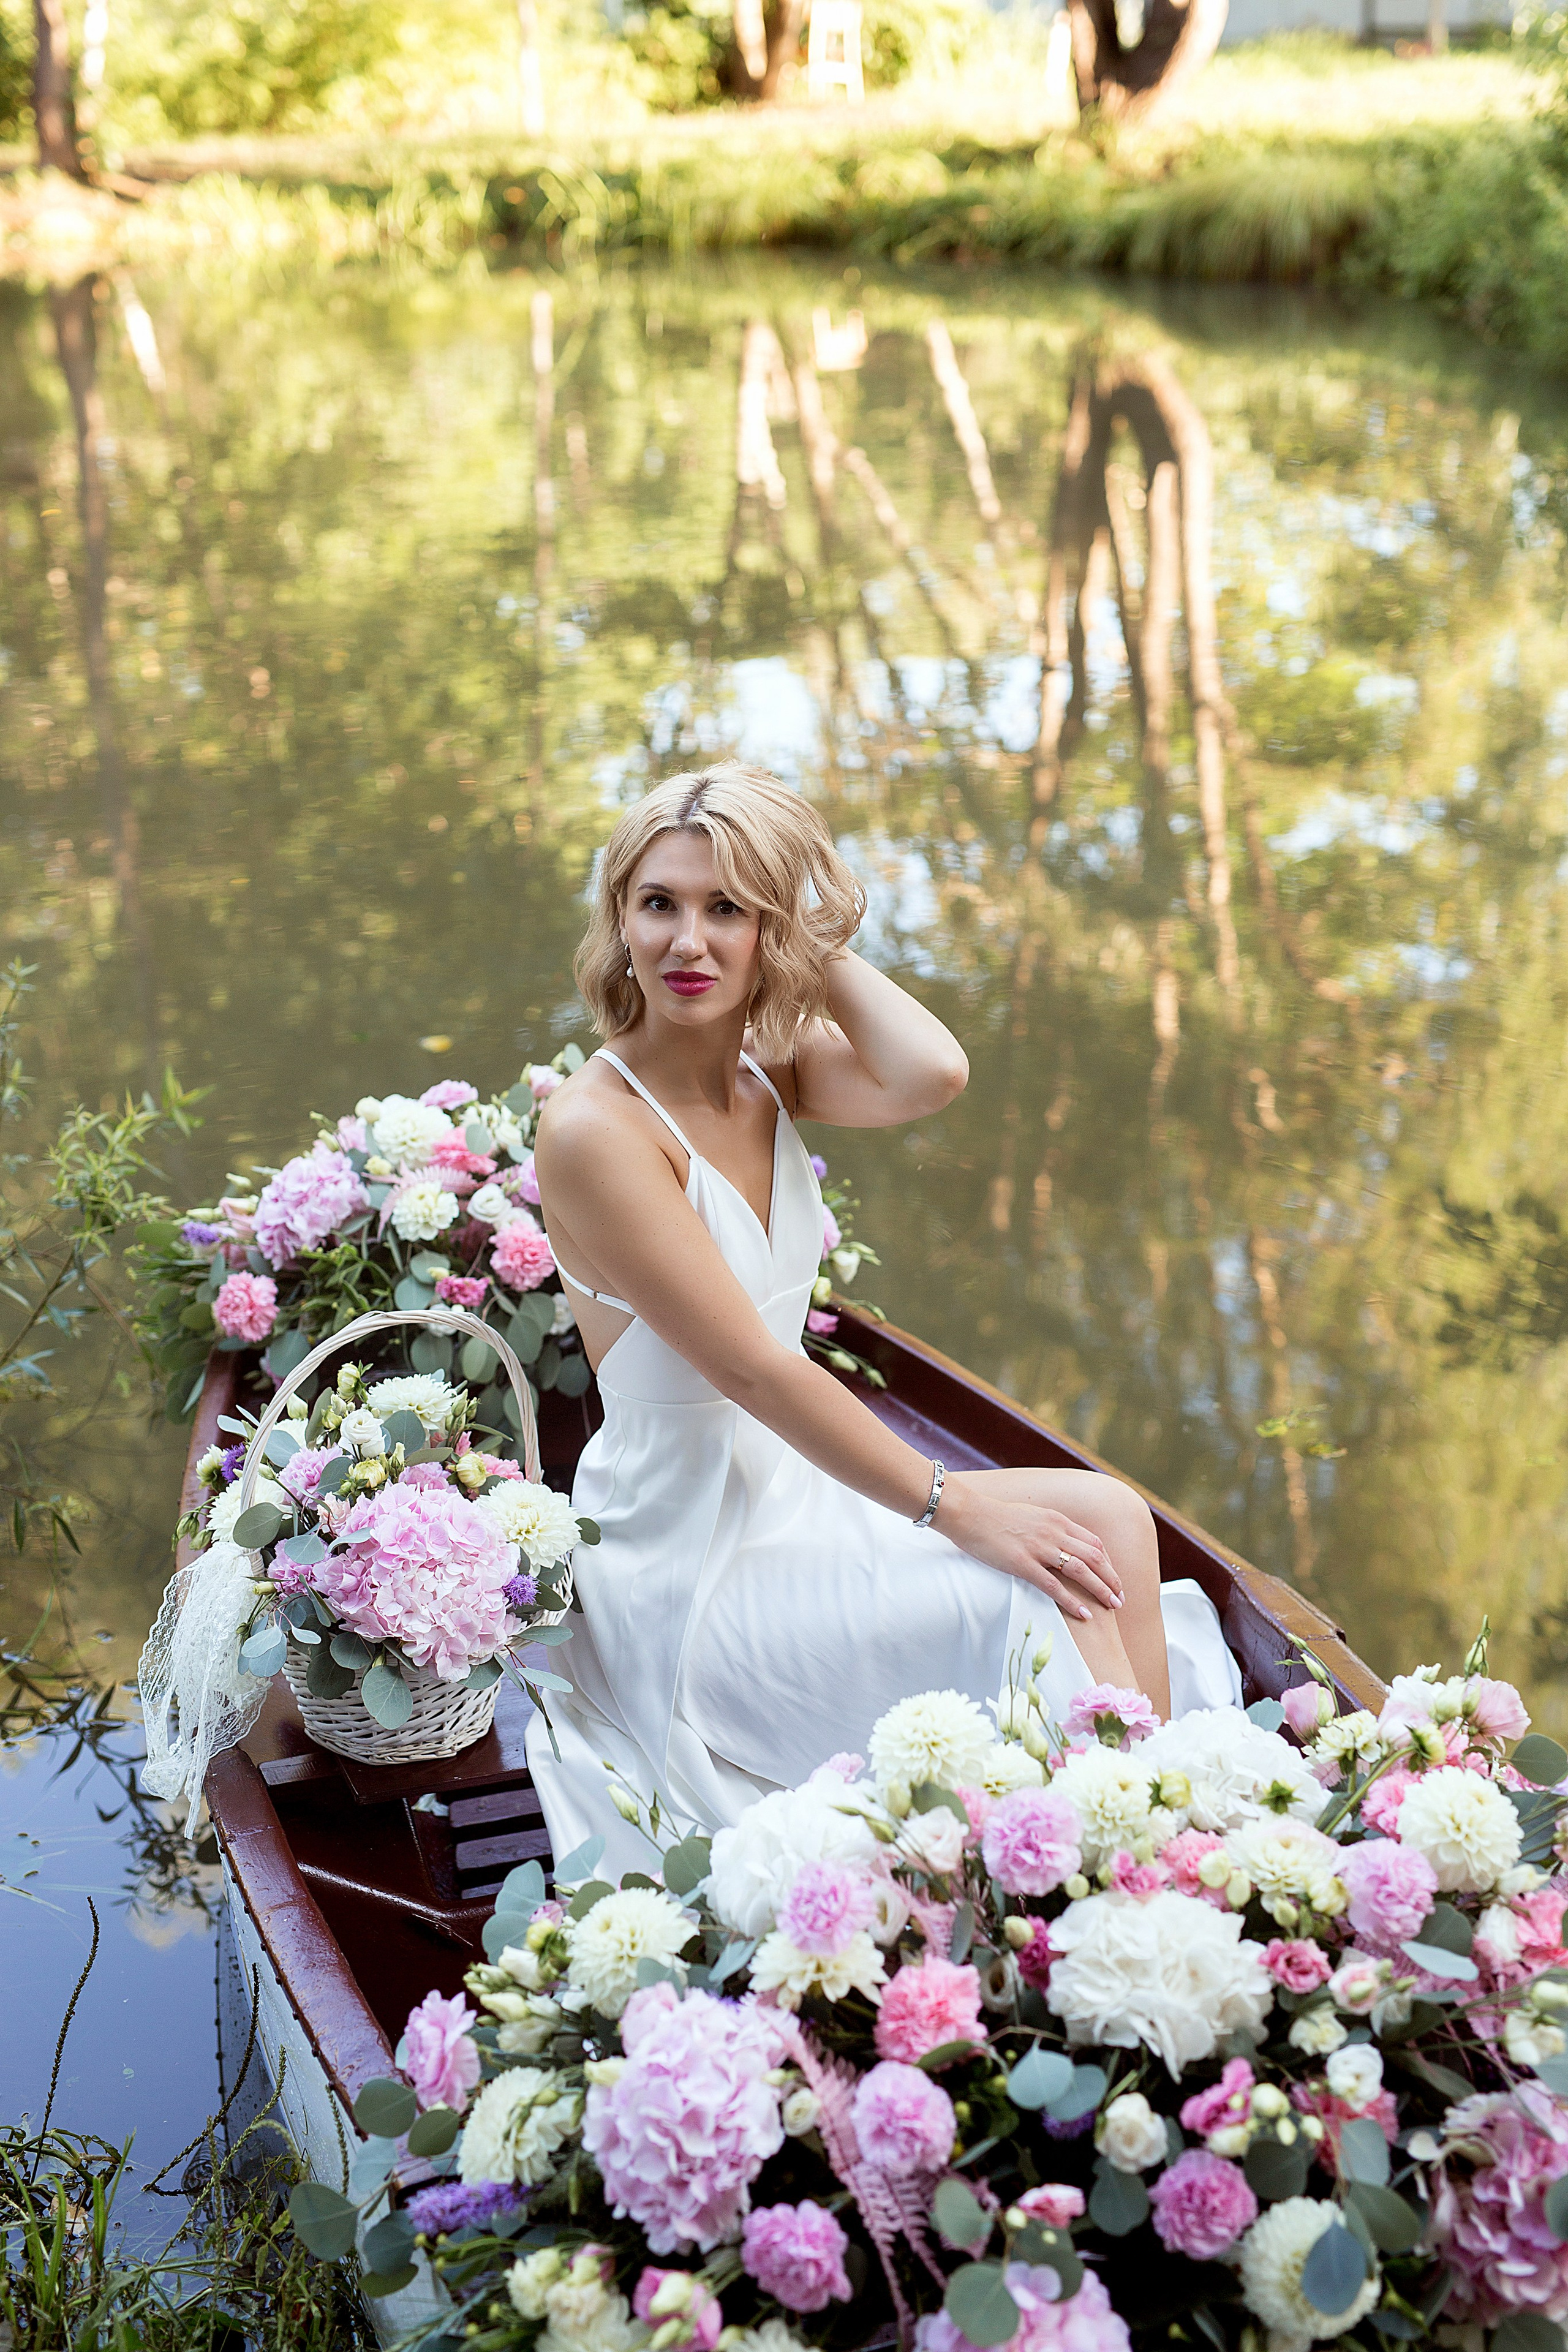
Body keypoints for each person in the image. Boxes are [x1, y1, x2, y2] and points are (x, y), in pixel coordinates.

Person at [524, 764, 1240, 1875]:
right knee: (1022, 1589)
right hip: (694, 1552)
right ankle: (1123, 1846)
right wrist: (956, 1508)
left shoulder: (768, 1070)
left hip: (796, 1486)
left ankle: (1150, 1816)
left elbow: (932, 1073)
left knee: (1112, 1516)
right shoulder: (596, 1130)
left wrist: (814, 940)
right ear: (619, 916)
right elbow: (760, 1374)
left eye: (729, 910)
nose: (688, 943)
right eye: (659, 903)